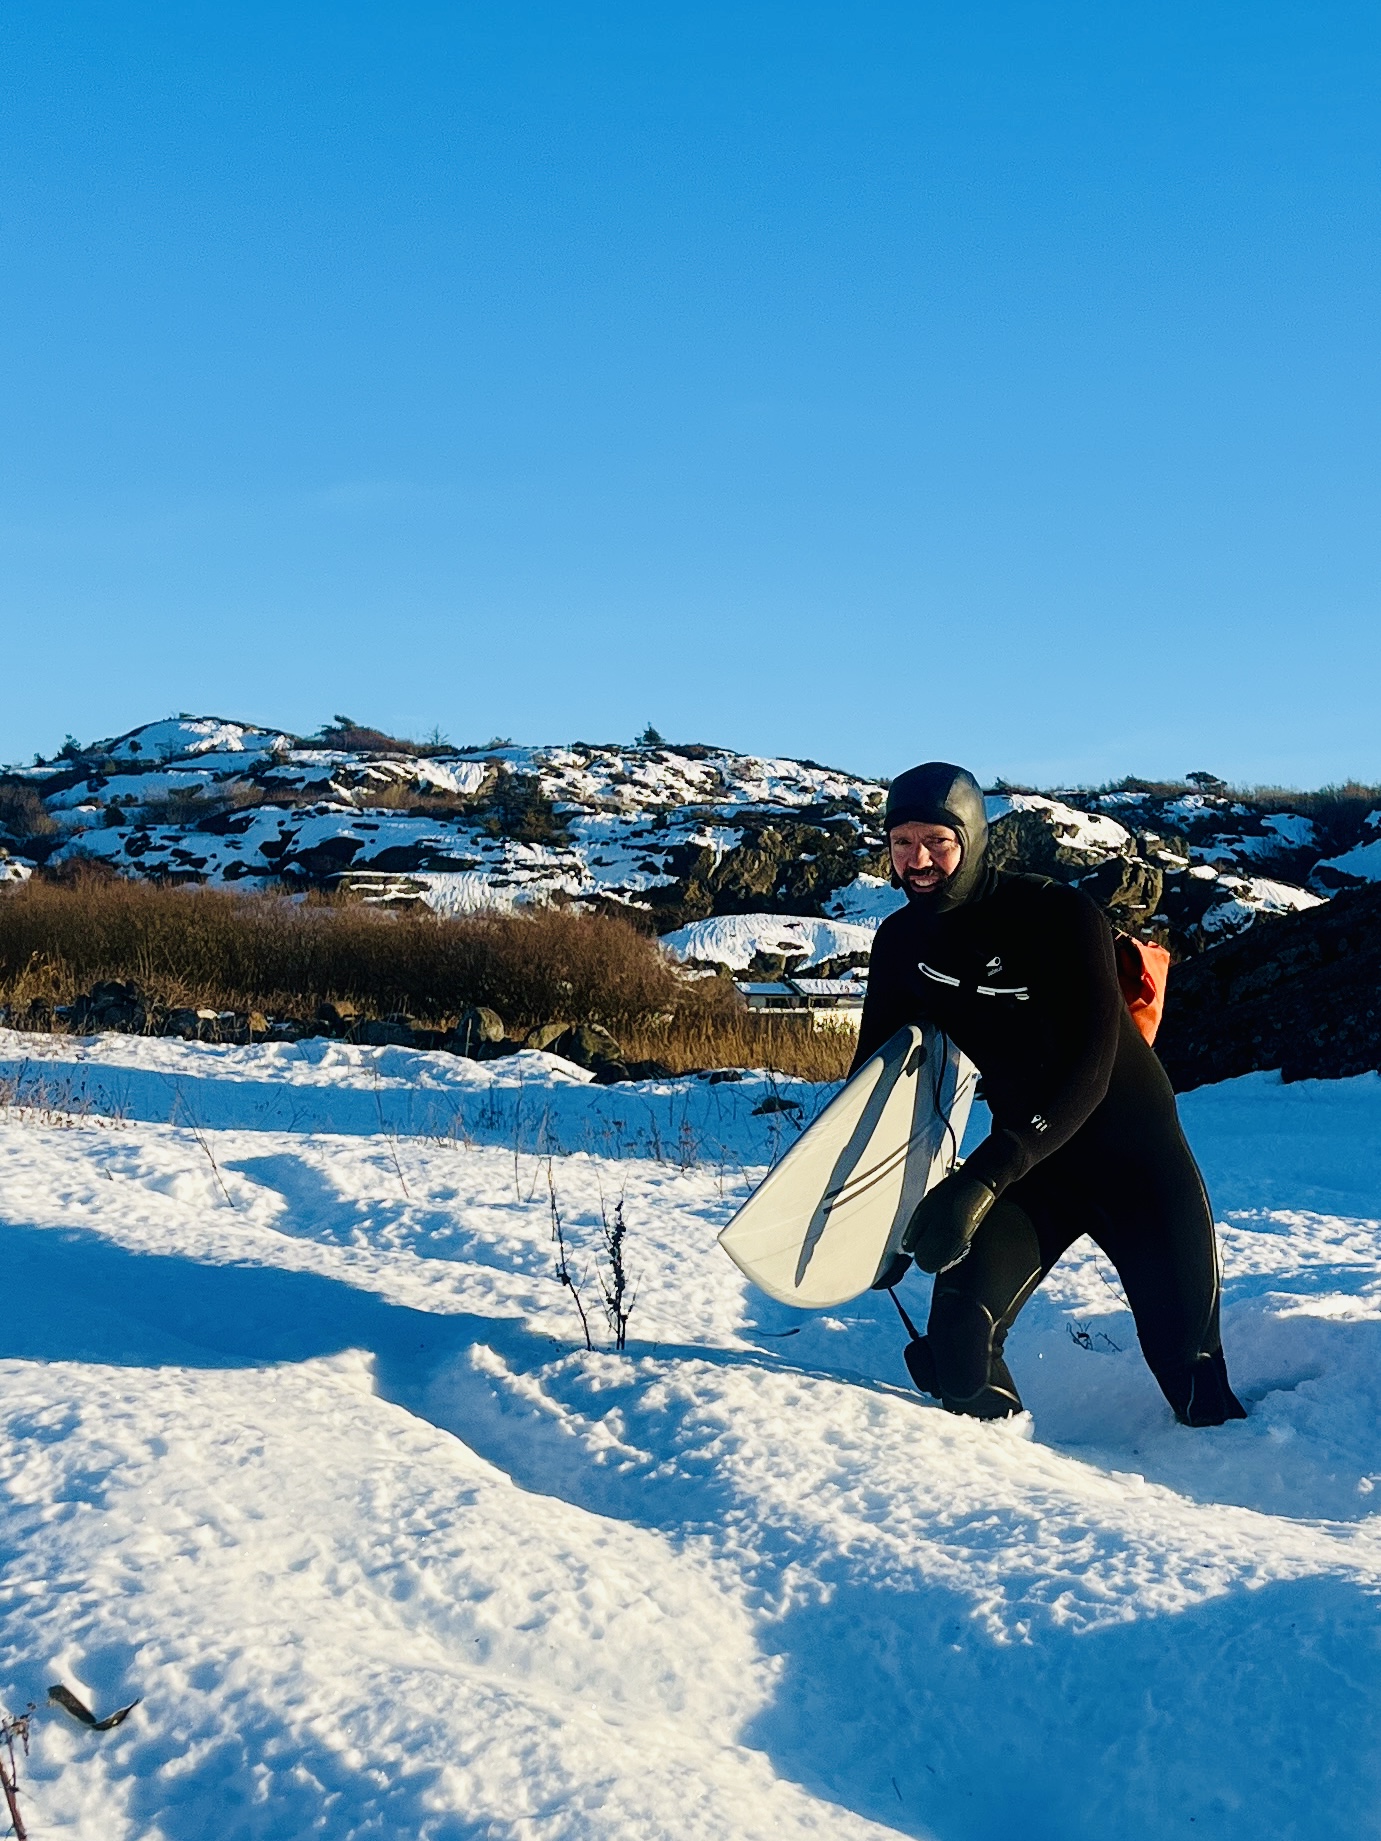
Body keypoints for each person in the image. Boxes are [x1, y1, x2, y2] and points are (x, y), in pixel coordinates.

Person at [853, 760, 1246, 1428]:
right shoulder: (899, 943)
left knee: (1194, 1382)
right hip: (1036, 1171)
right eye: (901, 842)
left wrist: (979, 1180)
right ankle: (1010, 1491)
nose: (916, 859)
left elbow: (1088, 1072)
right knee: (956, 1358)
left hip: (1134, 1166)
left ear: (971, 838)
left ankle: (1229, 1501)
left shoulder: (1056, 915)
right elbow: (874, 1085)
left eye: (936, 842)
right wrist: (870, 1213)